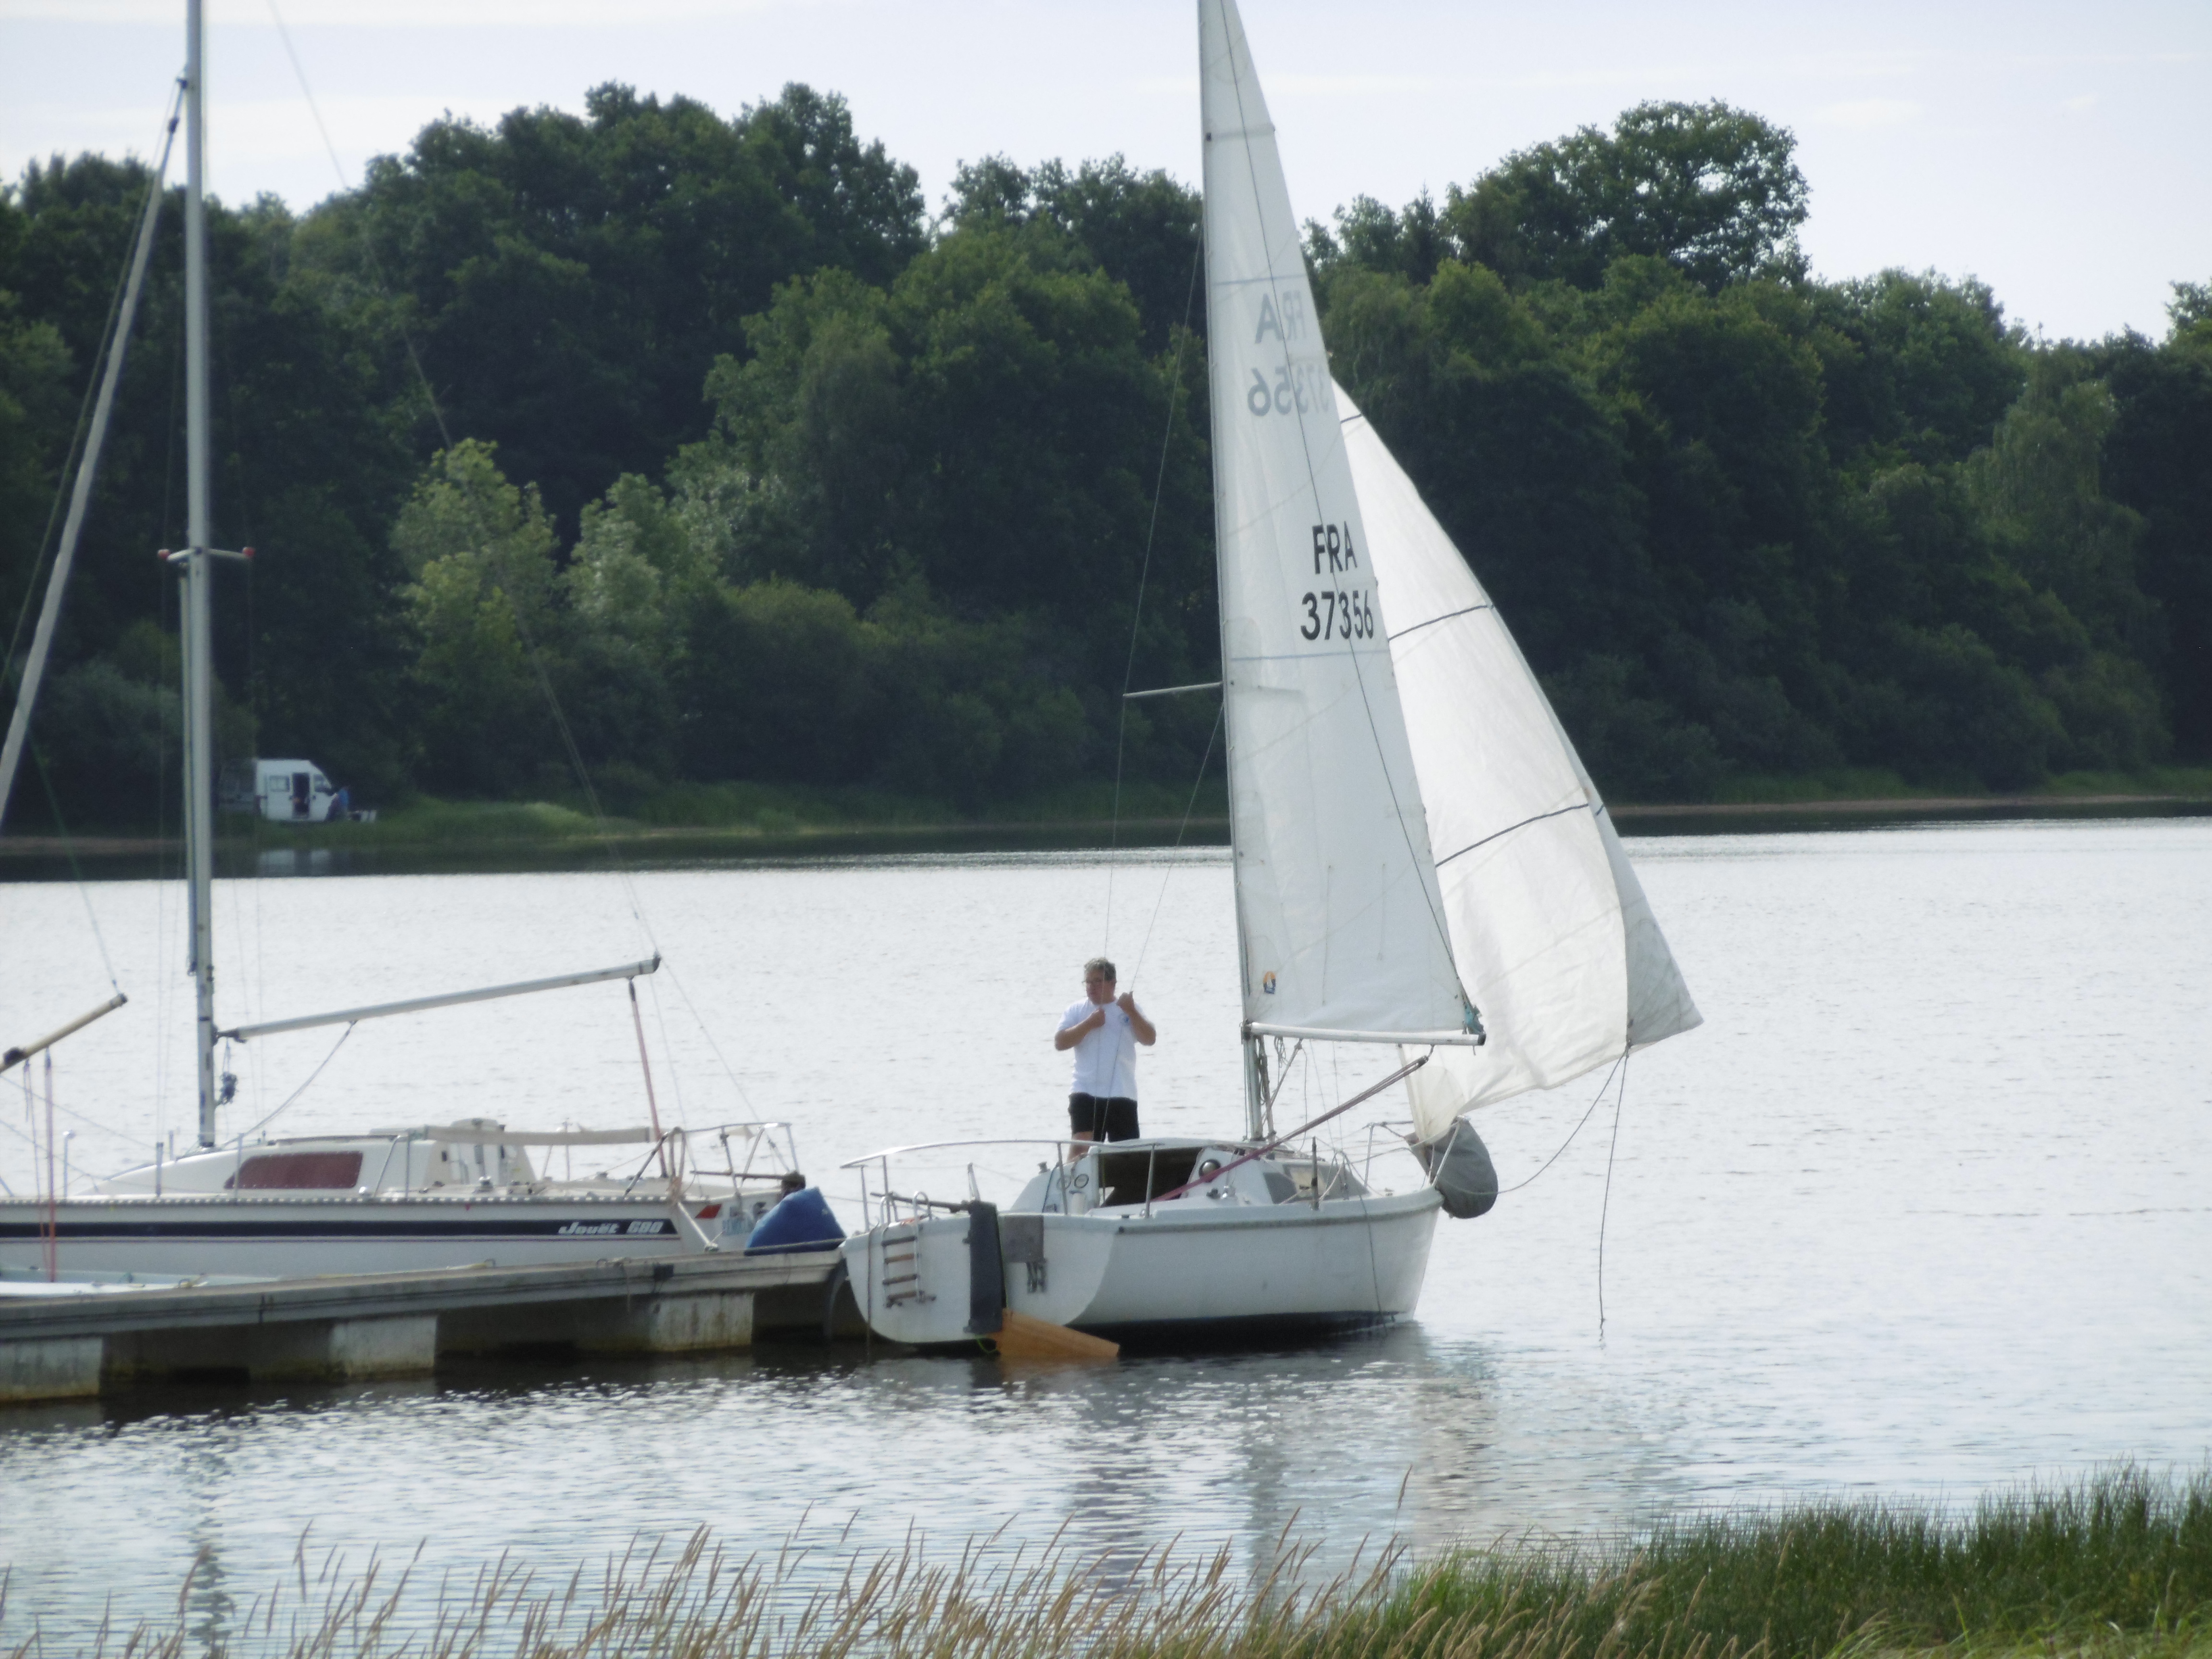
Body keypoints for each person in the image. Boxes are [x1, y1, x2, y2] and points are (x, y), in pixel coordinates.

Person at [1054, 955, 1156, 1149]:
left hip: (1121, 1091)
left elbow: (1149, 1039)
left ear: (1113, 984)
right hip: (1085, 1089)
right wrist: (1089, 1024)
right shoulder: (1076, 1010)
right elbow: (1060, 1042)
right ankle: (1071, 1170)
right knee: (1081, 1145)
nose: (1092, 987)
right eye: (1088, 982)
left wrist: (1132, 1011)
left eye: (1098, 981)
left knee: (1126, 1151)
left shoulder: (1129, 1009)